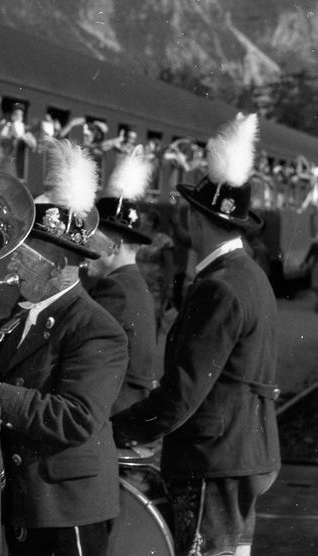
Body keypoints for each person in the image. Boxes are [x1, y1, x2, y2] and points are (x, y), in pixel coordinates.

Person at [113, 114, 280, 556]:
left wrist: (116, 429)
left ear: (195, 219)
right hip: (243, 454)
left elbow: (183, 393)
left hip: (213, 459)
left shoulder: (219, 286)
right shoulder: (250, 276)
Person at [0, 139, 128, 556]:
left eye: (24, 255)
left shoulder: (95, 328)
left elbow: (76, 417)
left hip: (68, 509)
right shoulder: (21, 313)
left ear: (57, 262)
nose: (12, 263)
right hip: (27, 502)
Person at [83, 154, 158, 414]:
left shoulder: (115, 290)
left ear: (114, 245)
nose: (84, 246)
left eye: (92, 237)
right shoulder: (130, 284)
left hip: (115, 412)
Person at [0, 103, 37, 177]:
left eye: (20, 115)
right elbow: (1, 139)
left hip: (15, 163)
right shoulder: (6, 126)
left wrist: (23, 137)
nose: (18, 117)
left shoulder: (24, 130)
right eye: (16, 114)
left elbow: (33, 146)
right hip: (5, 161)